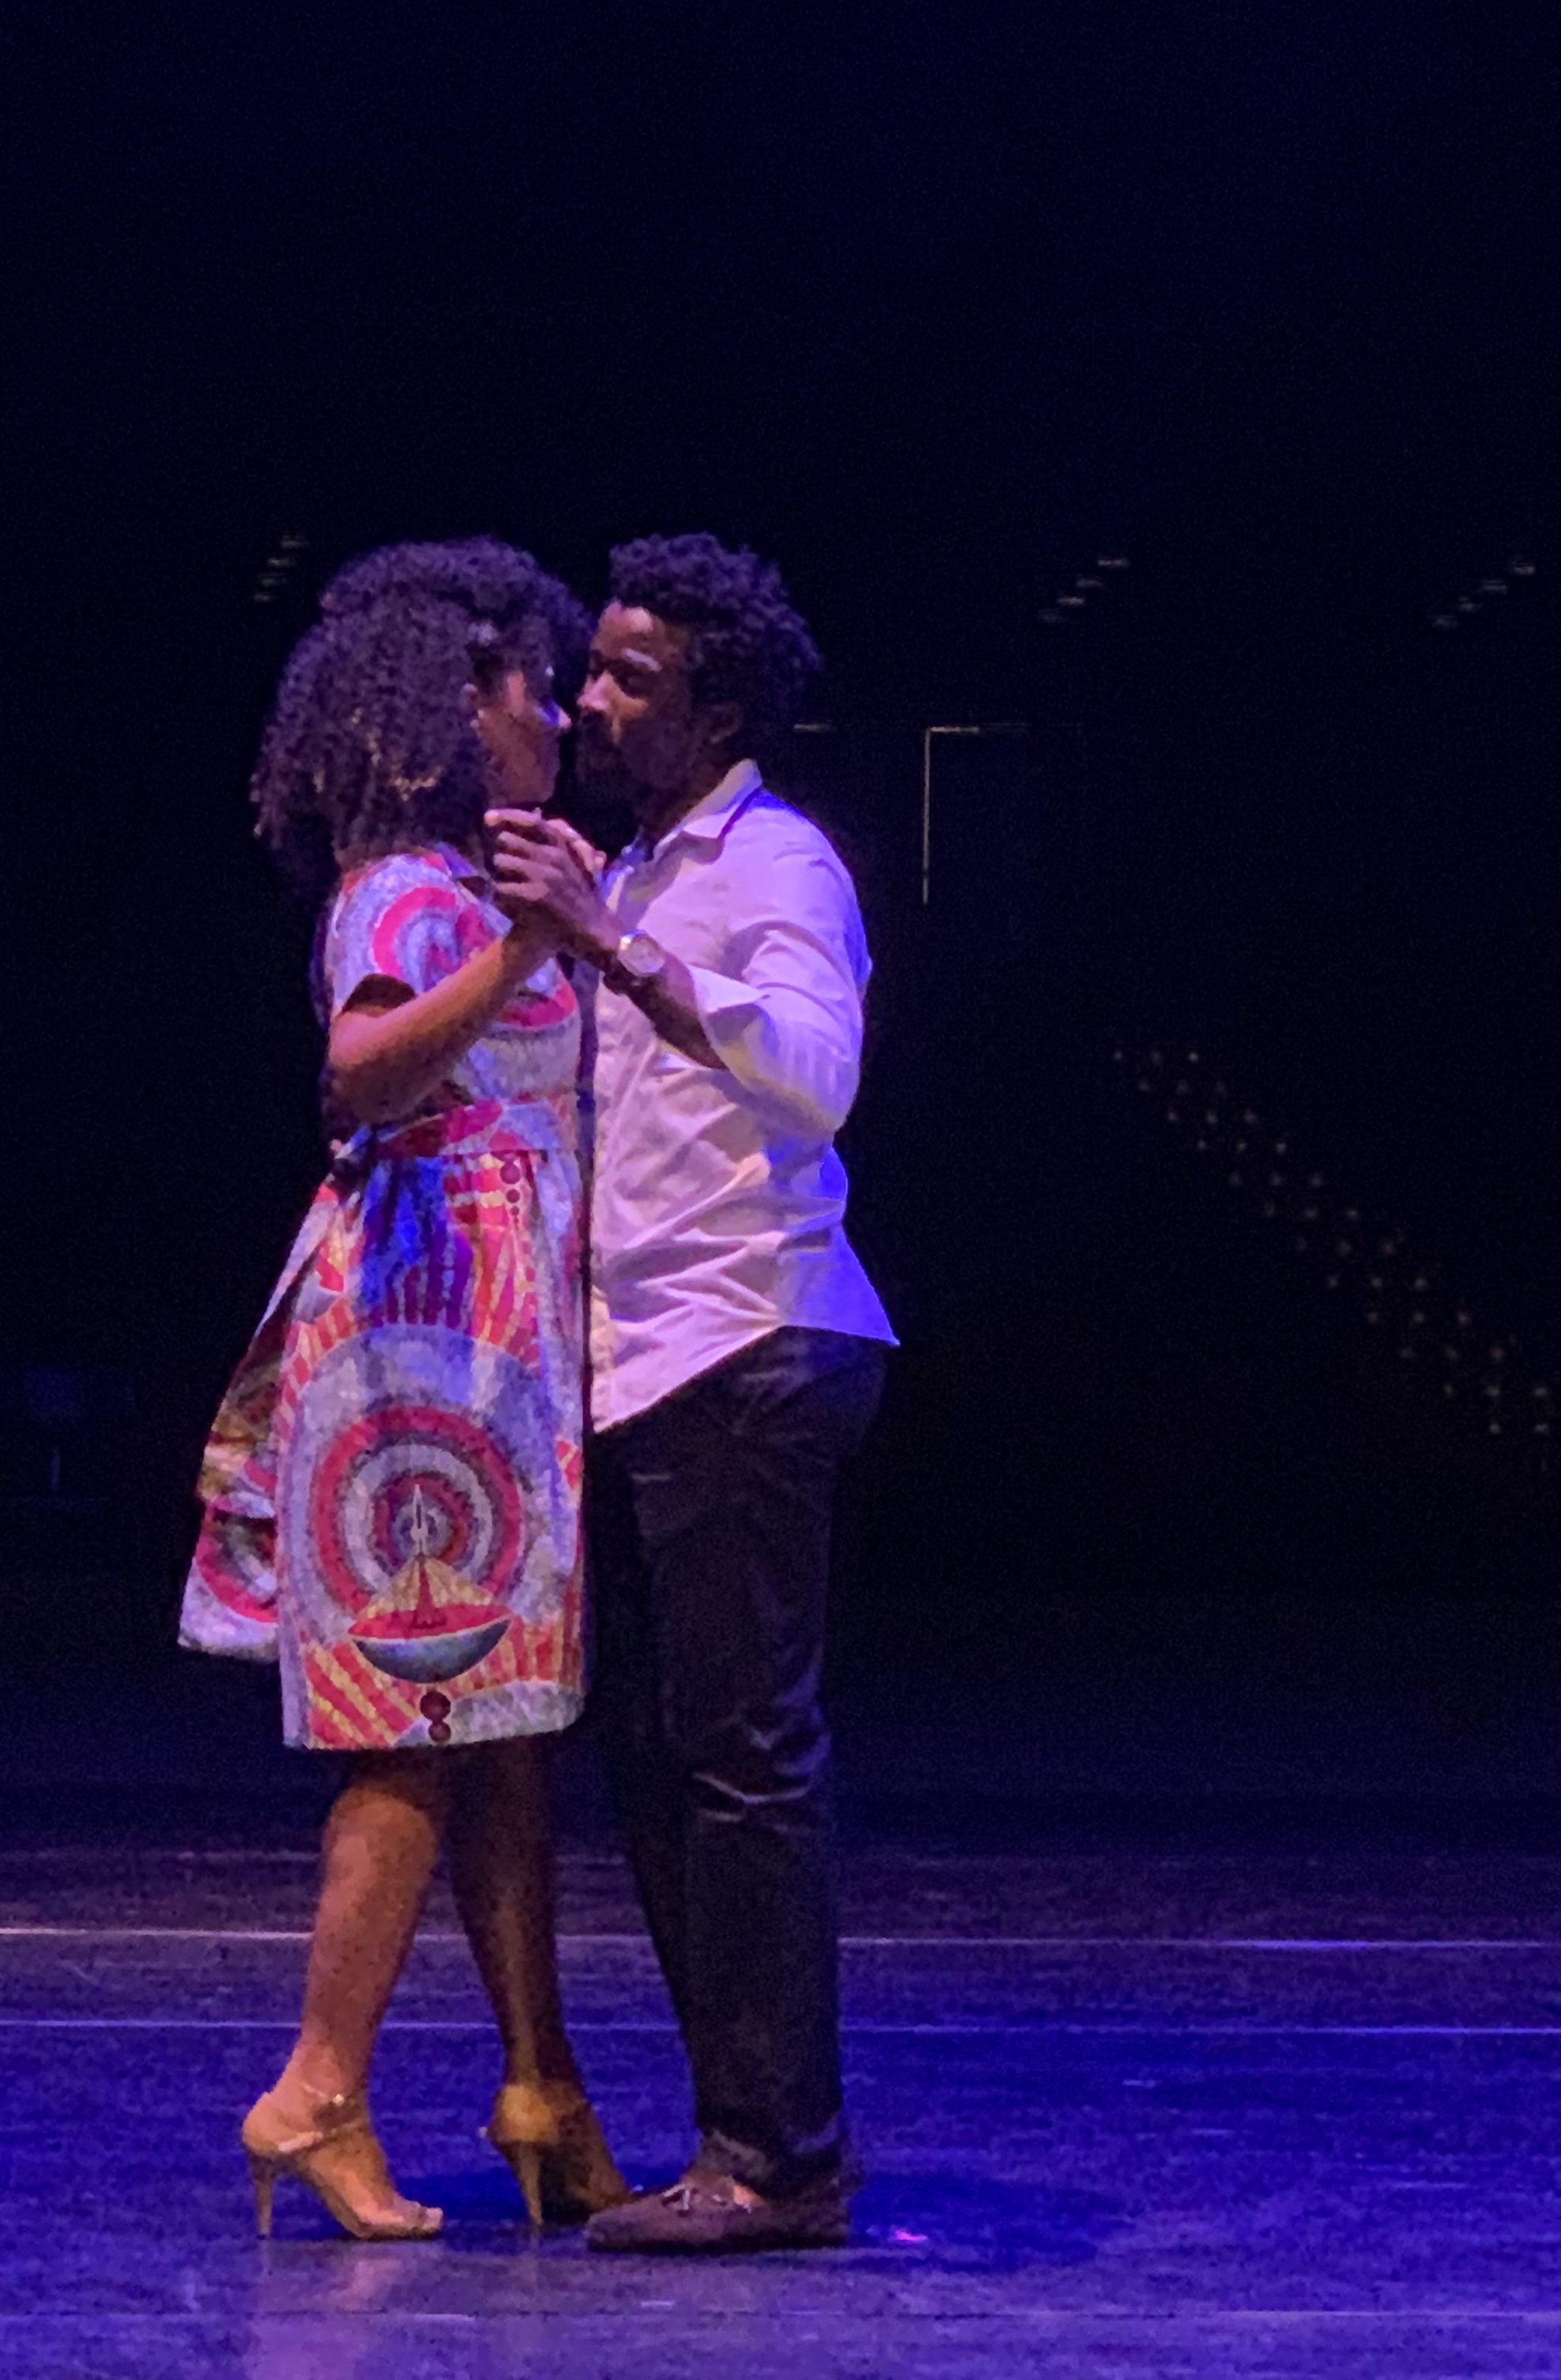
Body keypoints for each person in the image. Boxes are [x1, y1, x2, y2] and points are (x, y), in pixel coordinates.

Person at [179, 538, 625, 2241]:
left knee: (502, 1732)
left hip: (487, 1346)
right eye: (529, 690)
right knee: (418, 1721)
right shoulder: (403, 889)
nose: (555, 718)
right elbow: (360, 1073)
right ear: (452, 709)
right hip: (418, 1346)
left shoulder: (480, 883)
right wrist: (524, 953)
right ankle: (315, 2090)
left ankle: (542, 2086)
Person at [487, 534, 894, 2252]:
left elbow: (815, 1077)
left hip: (752, 1341)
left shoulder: (770, 860)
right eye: (590, 667)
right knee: (670, 1768)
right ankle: (746, 2134)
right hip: (652, 1361)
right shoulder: (645, 868)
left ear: (718, 710)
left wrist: (618, 946)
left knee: (742, 1763)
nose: (590, 699)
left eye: (628, 677)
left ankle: (780, 2159)